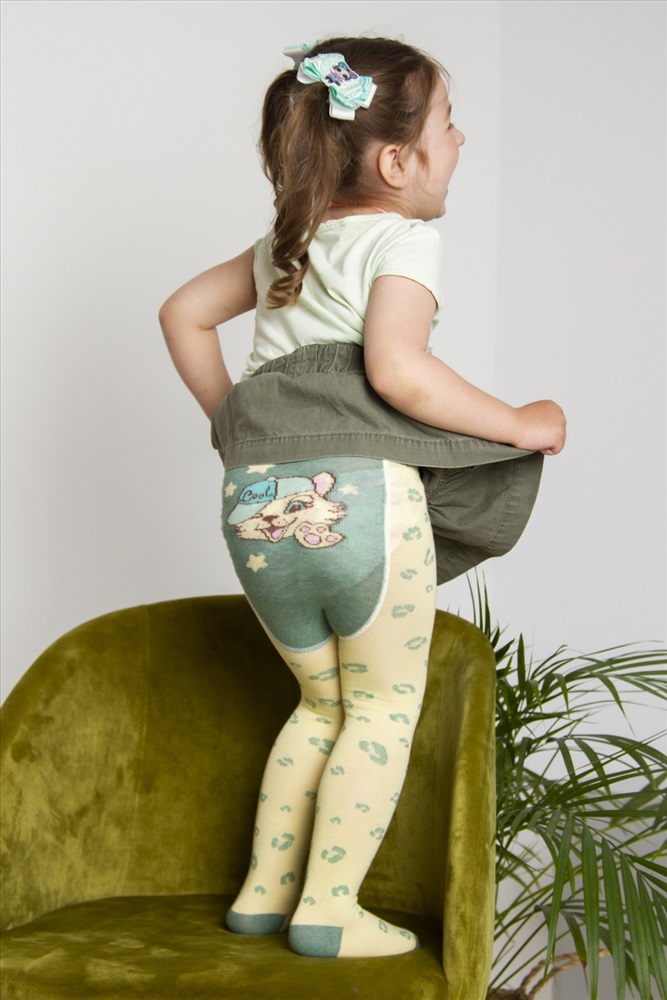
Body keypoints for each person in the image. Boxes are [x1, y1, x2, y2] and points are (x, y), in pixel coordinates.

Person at [159, 36, 566, 960]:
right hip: (362, 504)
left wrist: (239, 423)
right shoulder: (403, 239)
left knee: (319, 704)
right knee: (380, 708)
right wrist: (518, 421)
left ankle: (264, 895)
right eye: (448, 126)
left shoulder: (284, 246)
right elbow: (397, 371)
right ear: (395, 162)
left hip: (254, 506)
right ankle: (329, 910)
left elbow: (180, 312)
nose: (461, 140)